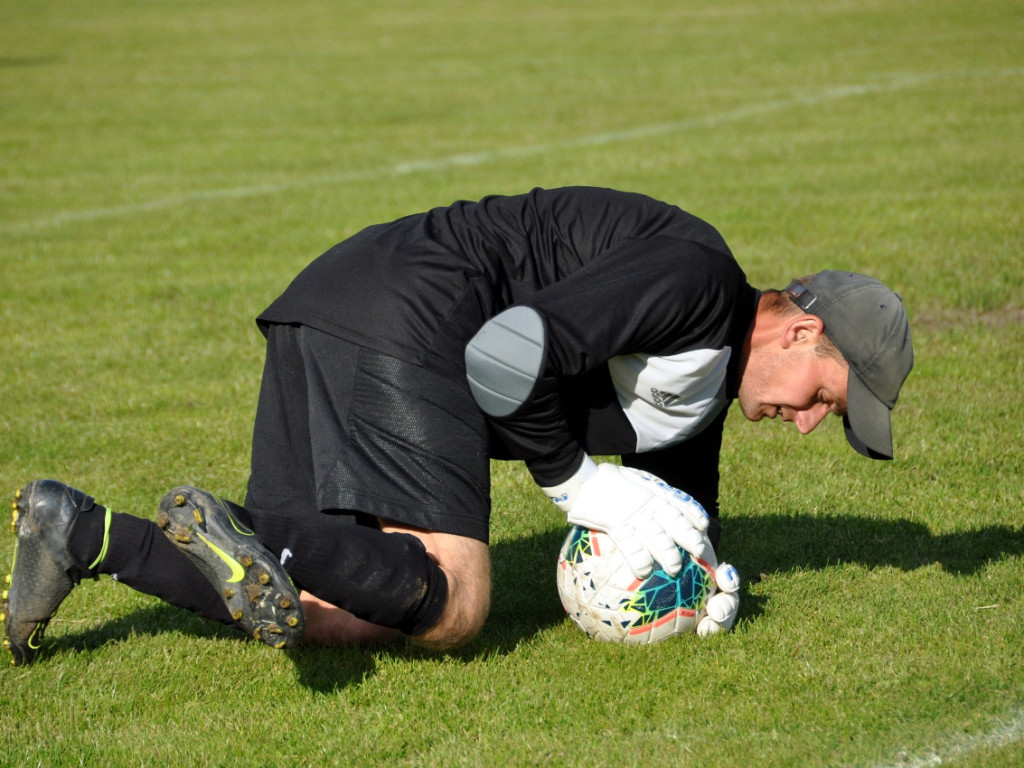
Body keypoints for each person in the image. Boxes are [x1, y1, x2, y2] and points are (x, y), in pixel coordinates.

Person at [2, 187, 913, 665]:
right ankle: (261, 532)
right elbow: (504, 355)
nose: (807, 426)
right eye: (828, 398)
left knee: (324, 614)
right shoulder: (696, 282)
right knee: (456, 604)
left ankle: (81, 531)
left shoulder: (703, 390)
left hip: (328, 301)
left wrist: (703, 585)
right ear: (801, 328)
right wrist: (580, 485)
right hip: (411, 313)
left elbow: (677, 514)